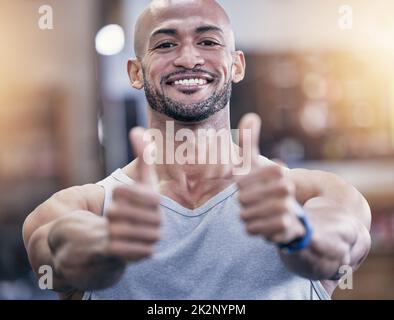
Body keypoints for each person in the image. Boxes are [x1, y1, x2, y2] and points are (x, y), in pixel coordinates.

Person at [22, 0, 371, 300]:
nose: (188, 58)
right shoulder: (87, 206)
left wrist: (299, 233)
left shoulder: (310, 193)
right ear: (135, 72)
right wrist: (107, 244)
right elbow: (52, 251)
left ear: (237, 66)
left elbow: (345, 244)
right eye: (165, 45)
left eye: (207, 41)